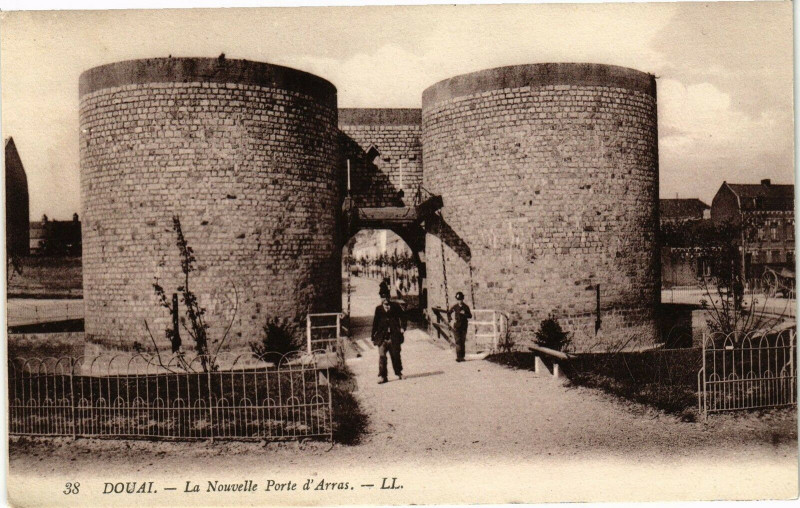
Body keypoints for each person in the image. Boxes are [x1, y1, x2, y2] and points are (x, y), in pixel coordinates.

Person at [371, 296, 407, 383]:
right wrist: (372, 335)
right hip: (382, 338)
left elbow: (403, 317)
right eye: (383, 298)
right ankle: (383, 376)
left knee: (395, 355)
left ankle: (399, 373)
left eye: (387, 298)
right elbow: (375, 322)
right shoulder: (378, 309)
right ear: (381, 300)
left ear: (389, 298)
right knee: (382, 356)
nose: (385, 300)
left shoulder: (395, 306)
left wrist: (402, 327)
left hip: (393, 336)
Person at [447, 291, 472, 362]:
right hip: (457, 326)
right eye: (458, 299)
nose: (459, 301)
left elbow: (470, 316)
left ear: (462, 299)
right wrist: (451, 320)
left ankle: (462, 357)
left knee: (462, 341)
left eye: (460, 299)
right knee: (458, 341)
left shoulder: (466, 307)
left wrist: (465, 314)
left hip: (464, 326)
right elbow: (449, 313)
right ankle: (458, 357)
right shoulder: (455, 307)